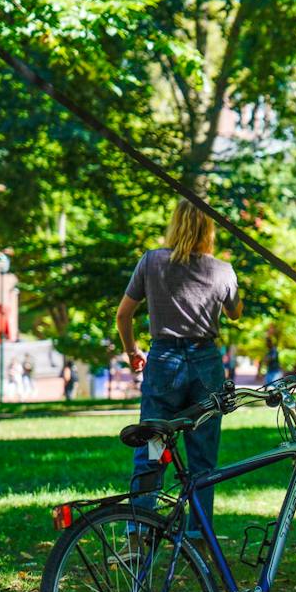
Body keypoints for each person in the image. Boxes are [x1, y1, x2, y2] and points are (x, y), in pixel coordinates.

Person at [117, 198, 242, 536]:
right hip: (206, 365)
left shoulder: (151, 262)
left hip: (164, 363)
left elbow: (123, 314)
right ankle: (200, 531)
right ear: (210, 230)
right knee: (203, 454)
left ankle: (141, 526)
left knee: (152, 446)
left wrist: (132, 351)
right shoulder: (222, 270)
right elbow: (235, 312)